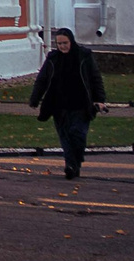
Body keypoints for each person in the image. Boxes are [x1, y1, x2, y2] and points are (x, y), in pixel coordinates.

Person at [30, 27, 106, 180]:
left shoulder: (84, 56)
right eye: (59, 44)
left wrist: (99, 100)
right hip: (59, 105)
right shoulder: (53, 58)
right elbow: (42, 80)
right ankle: (70, 165)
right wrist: (35, 98)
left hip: (81, 104)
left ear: (71, 41)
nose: (62, 46)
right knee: (65, 136)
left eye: (65, 43)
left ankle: (76, 161)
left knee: (78, 134)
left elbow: (95, 78)